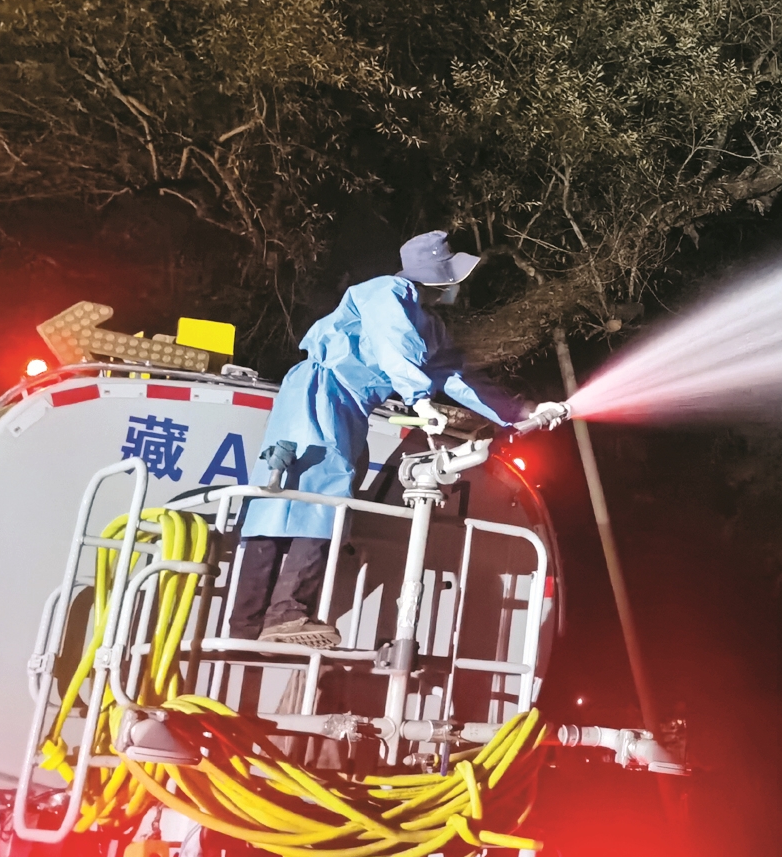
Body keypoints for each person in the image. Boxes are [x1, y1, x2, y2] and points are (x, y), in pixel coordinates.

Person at [228, 230, 564, 647]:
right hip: (320, 392)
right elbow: (393, 343)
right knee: (312, 496)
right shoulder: (387, 292)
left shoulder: (430, 325)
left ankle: (258, 620)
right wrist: (419, 399)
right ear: (440, 275)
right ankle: (279, 615)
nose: (458, 287)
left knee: (309, 495)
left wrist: (519, 411)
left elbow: (455, 377)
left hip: (349, 406)